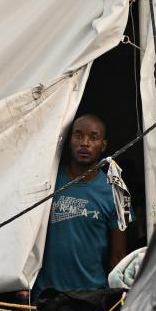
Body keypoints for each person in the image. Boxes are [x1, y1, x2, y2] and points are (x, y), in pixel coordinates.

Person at [32, 114, 127, 298]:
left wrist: (114, 301)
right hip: (46, 296)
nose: (85, 143)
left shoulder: (116, 192)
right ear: (69, 141)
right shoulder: (48, 180)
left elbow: (118, 257)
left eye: (93, 137)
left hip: (91, 298)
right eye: (78, 135)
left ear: (103, 145)